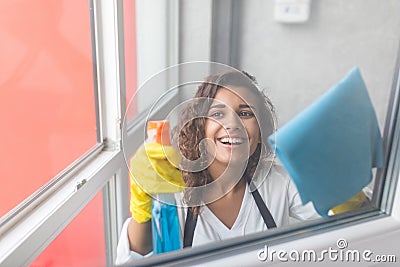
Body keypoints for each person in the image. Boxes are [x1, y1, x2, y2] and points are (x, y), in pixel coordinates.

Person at [116, 70, 320, 265]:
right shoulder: (173, 191)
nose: (233, 124)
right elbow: (134, 260)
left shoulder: (279, 182)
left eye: (245, 113)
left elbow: (331, 219)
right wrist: (142, 211)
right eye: (218, 114)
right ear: (200, 127)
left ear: (260, 132)